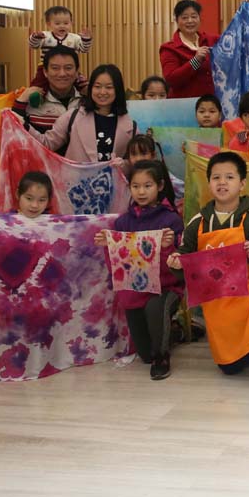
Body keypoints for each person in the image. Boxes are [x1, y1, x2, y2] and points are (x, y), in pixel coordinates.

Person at [167, 151, 249, 395]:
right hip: (220, 302)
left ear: (242, 183)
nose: (222, 182)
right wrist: (176, 263)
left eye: (229, 177)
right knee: (230, 368)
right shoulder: (197, 224)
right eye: (216, 177)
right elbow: (185, 260)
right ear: (209, 183)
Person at [94, 160, 184, 380]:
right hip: (135, 290)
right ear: (129, 188)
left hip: (165, 287)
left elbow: (178, 264)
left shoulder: (171, 220)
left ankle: (163, 357)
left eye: (147, 185)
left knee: (155, 310)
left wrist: (167, 247)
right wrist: (108, 245)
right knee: (145, 355)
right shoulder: (122, 223)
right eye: (136, 186)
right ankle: (175, 332)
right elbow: (117, 266)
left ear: (160, 186)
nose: (141, 192)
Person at [28, 64, 136, 166]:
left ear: (118, 90)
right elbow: (46, 143)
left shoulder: (130, 126)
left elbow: (137, 161)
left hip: (113, 180)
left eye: (109, 87)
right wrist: (23, 125)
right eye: (97, 86)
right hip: (76, 179)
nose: (102, 92)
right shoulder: (73, 116)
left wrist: (123, 165)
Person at [13, 46, 83, 134]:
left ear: (77, 72)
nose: (62, 74)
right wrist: (20, 102)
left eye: (68, 68)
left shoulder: (87, 99)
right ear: (45, 72)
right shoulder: (29, 100)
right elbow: (14, 133)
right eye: (55, 68)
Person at [158, 0, 217, 99]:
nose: (190, 21)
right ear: (177, 20)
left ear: (199, 18)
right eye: (184, 17)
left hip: (211, 103)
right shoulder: (169, 48)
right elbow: (172, 80)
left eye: (194, 16)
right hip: (184, 104)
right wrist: (196, 61)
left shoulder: (212, 40)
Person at [28, 5, 92, 88]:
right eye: (57, 23)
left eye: (66, 23)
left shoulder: (75, 38)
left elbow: (84, 49)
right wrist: (35, 37)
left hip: (69, 67)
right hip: (46, 66)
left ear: (71, 23)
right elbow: (33, 45)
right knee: (38, 85)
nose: (62, 26)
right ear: (49, 24)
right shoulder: (45, 36)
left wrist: (86, 40)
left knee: (82, 84)